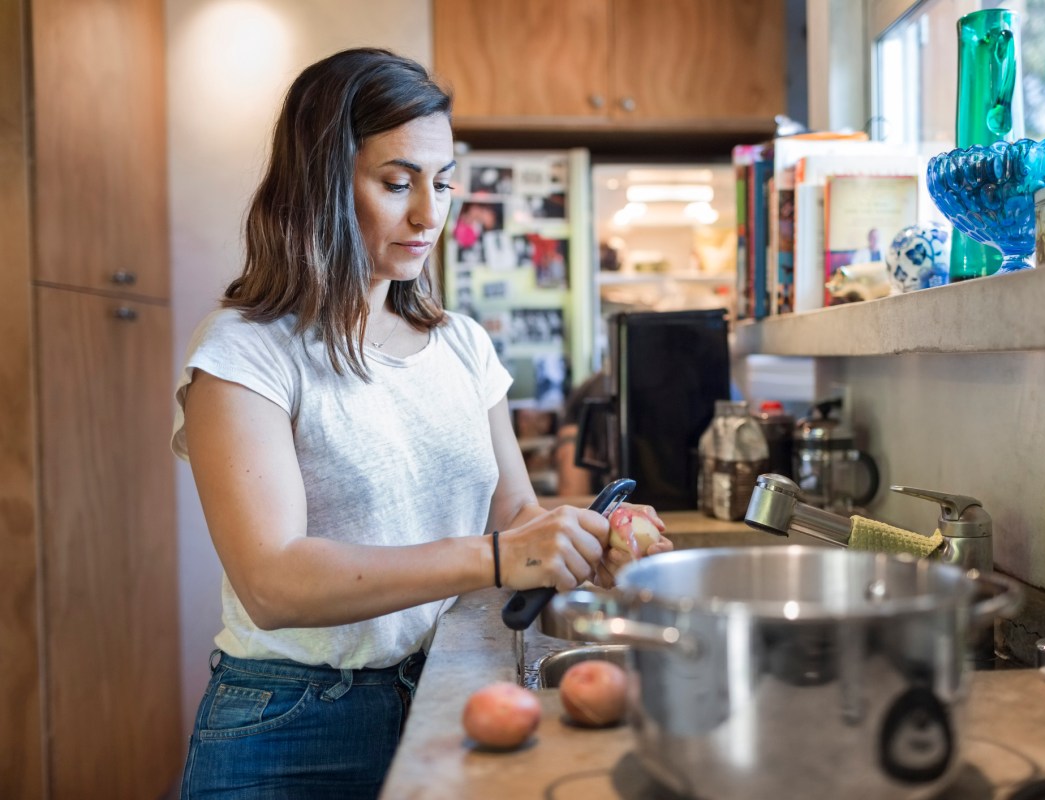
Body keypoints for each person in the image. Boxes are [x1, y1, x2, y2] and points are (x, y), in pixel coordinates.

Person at [171, 48, 671, 799]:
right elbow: (273, 581)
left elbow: (513, 511)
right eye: (397, 182)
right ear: (321, 185)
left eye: (441, 184)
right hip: (291, 722)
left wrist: (578, 539)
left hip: (448, 684)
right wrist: (498, 556)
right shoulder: (246, 350)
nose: (428, 214)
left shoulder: (461, 343)